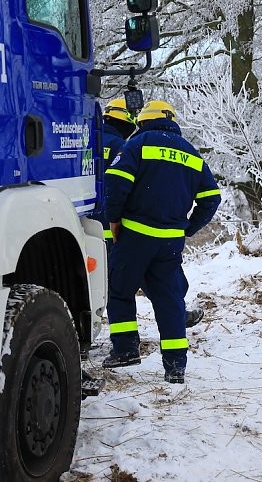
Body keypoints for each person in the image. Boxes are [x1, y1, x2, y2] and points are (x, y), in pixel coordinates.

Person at [102, 100, 221, 384]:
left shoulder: (138, 144)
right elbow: (211, 198)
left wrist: (114, 219)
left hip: (135, 236)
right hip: (170, 242)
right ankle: (175, 366)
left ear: (142, 122)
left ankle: (126, 350)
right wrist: (189, 228)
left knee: (119, 290)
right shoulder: (191, 153)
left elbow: (116, 182)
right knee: (169, 300)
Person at [90, 99, 136, 243]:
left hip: (81, 218)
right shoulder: (122, 147)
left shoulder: (86, 139)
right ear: (127, 123)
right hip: (107, 221)